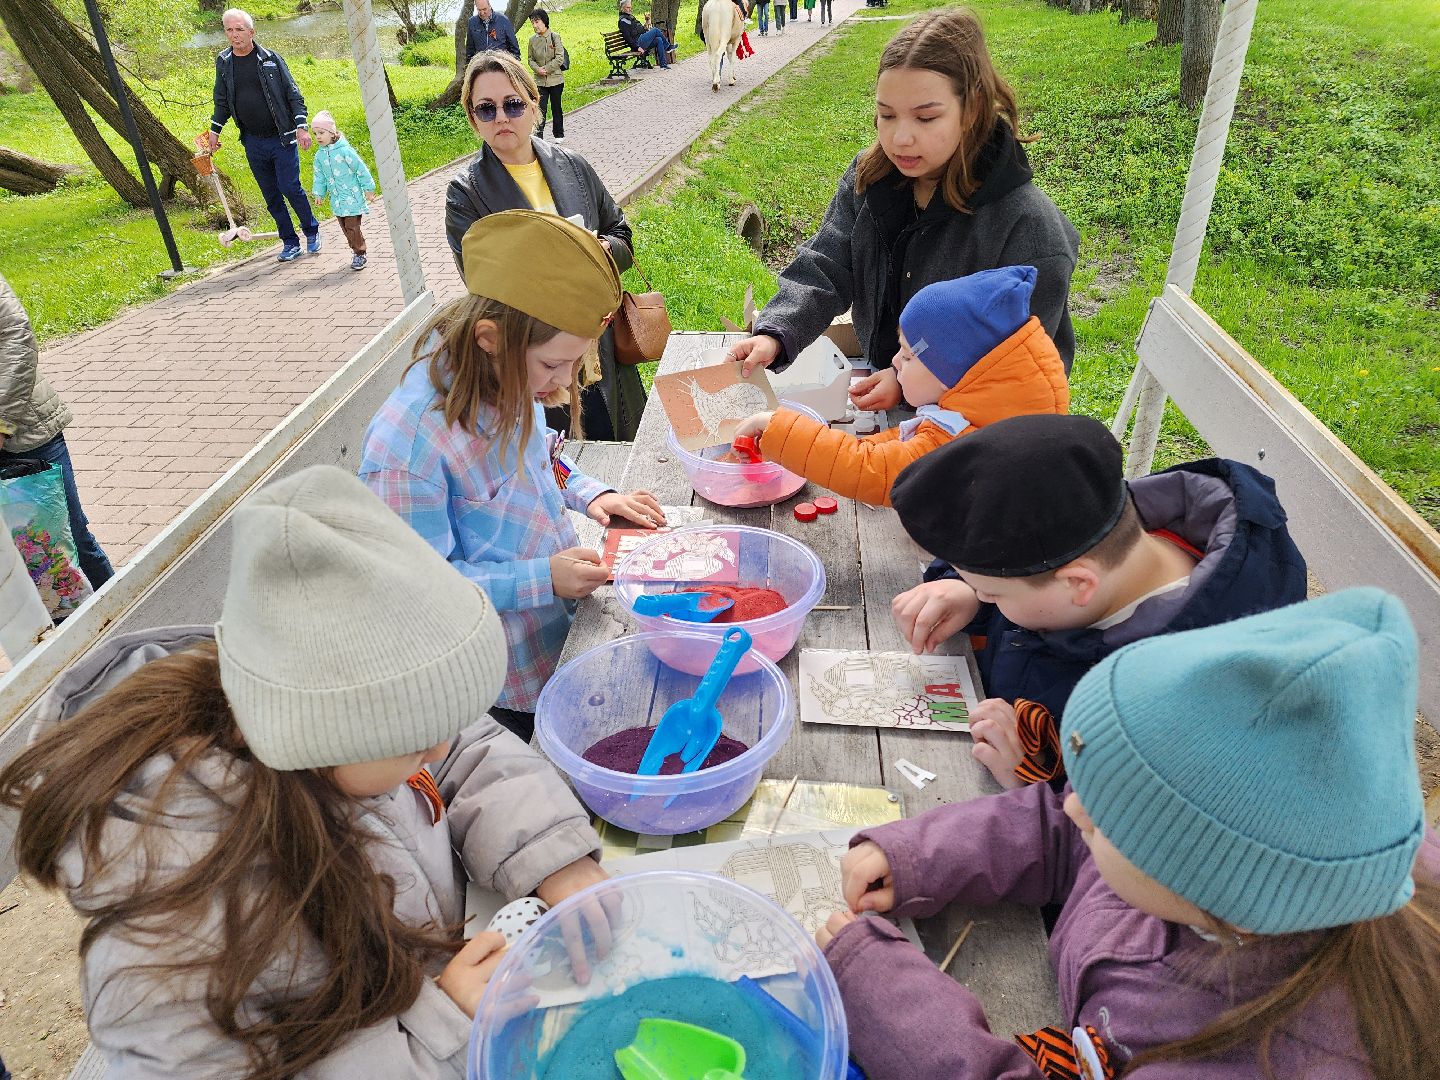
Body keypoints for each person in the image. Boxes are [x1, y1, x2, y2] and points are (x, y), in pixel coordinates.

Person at [0, 465, 612, 1076]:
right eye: (416, 740)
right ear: (316, 738)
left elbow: (459, 745)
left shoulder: (337, 716)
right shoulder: (176, 937)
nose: (439, 748)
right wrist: (444, 1026)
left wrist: (550, 855)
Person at [819, 588, 1440, 1080]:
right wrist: (917, 855)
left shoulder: (1256, 1059)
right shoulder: (1265, 851)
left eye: (1110, 814)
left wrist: (883, 997)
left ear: (1209, 883)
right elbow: (1061, 825)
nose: (1078, 808)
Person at [363, 210, 665, 742]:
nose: (563, 384)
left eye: (572, 365)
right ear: (489, 337)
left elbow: (539, 453)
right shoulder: (407, 449)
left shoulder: (508, 377)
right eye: (552, 365)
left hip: (564, 637)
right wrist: (541, 578)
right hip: (502, 689)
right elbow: (414, 589)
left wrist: (592, 493)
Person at [888, 413, 1308, 789]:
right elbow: (1015, 556)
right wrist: (967, 593)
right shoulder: (1090, 533)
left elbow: (1138, 831)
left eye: (991, 592)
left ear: (1079, 584)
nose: (985, 597)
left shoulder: (1192, 697)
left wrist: (1034, 779)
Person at [728, 8, 1079, 417]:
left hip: (972, 438)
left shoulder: (1030, 230)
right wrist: (775, 332)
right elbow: (827, 264)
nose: (900, 137)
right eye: (887, 115)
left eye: (926, 117)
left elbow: (1017, 369)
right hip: (887, 400)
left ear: (972, 111)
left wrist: (910, 378)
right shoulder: (869, 178)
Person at [731, 266, 1067, 507]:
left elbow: (874, 470)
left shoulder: (962, 442)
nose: (894, 363)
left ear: (948, 372)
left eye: (907, 356)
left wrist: (774, 427)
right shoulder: (989, 411)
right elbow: (904, 442)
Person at [445, 52, 647, 441]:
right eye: (486, 109)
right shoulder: (465, 193)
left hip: (600, 345)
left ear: (535, 105)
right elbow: (483, 287)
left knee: (618, 450)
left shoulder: (572, 165)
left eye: (513, 104)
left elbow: (622, 235)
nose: (502, 117)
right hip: (534, 363)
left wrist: (595, 252)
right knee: (557, 469)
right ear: (472, 117)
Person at [0, 273, 113, 589]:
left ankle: (124, 622)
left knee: (66, 540)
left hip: (24, 433)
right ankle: (53, 635)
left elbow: (17, 339)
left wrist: (1, 422)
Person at [207, 7, 319, 263]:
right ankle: (290, 242)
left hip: (282, 137)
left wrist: (301, 127)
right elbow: (221, 100)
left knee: (290, 187)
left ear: (251, 32)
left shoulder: (270, 59)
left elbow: (294, 96)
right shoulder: (224, 62)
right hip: (253, 141)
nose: (234, 35)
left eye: (240, 29)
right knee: (271, 195)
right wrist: (215, 131)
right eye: (229, 30)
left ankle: (311, 230)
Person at [308, 109, 376, 271]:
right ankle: (356, 248)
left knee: (352, 227)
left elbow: (361, 169)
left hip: (351, 198)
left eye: (321, 133)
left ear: (332, 133)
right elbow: (320, 177)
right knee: (345, 228)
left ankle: (360, 253)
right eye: (315, 133)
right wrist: (319, 192)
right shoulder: (320, 156)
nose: (318, 137)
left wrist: (368, 189)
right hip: (337, 201)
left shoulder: (345, 151)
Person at [527, 8, 566, 143]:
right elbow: (530, 59)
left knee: (556, 107)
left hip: (556, 79)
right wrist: (538, 69)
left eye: (537, 21)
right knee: (539, 109)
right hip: (539, 81)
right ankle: (538, 137)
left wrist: (547, 69)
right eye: (532, 22)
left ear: (544, 21)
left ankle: (559, 134)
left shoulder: (555, 37)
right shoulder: (532, 40)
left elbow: (560, 58)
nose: (535, 25)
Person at [618, 0, 674, 69]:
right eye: (628, 7)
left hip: (641, 39)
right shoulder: (623, 21)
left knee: (658, 40)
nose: (630, 9)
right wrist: (637, 47)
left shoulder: (630, 17)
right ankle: (668, 47)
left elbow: (638, 29)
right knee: (655, 30)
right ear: (622, 8)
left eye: (630, 7)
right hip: (638, 43)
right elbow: (628, 38)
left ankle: (663, 65)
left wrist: (645, 29)